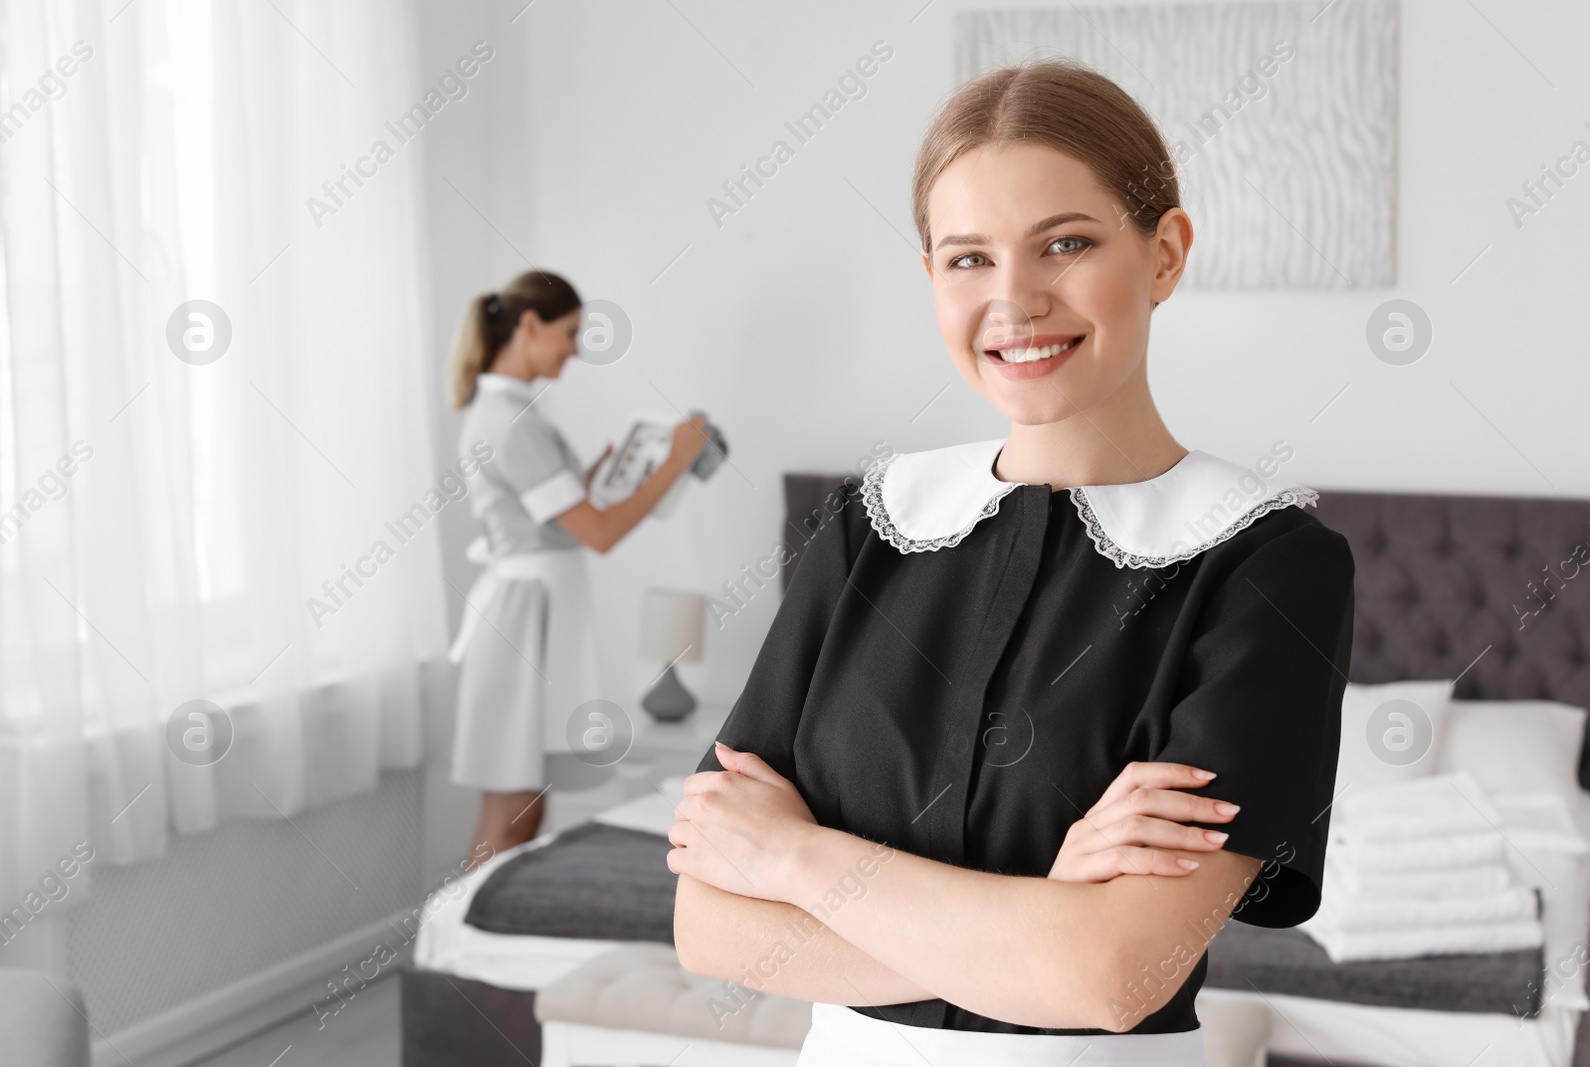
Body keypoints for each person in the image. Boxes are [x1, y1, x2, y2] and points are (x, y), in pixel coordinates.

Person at [668, 59, 1355, 1064]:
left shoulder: (1263, 564)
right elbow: (712, 929)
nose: (1015, 300)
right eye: (968, 259)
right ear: (932, 280)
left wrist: (794, 854)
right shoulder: (866, 525)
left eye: (1065, 244)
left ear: (1164, 253)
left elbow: (1112, 977)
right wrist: (1040, 916)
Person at [446, 270, 706, 868]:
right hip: (523, 618)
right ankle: (468, 941)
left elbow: (562, 518)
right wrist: (676, 462)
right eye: (569, 332)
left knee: (523, 802)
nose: (575, 348)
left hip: (527, 611)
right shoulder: (513, 421)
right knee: (511, 807)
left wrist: (594, 483)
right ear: (529, 325)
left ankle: (487, 934)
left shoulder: (508, 415)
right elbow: (600, 532)